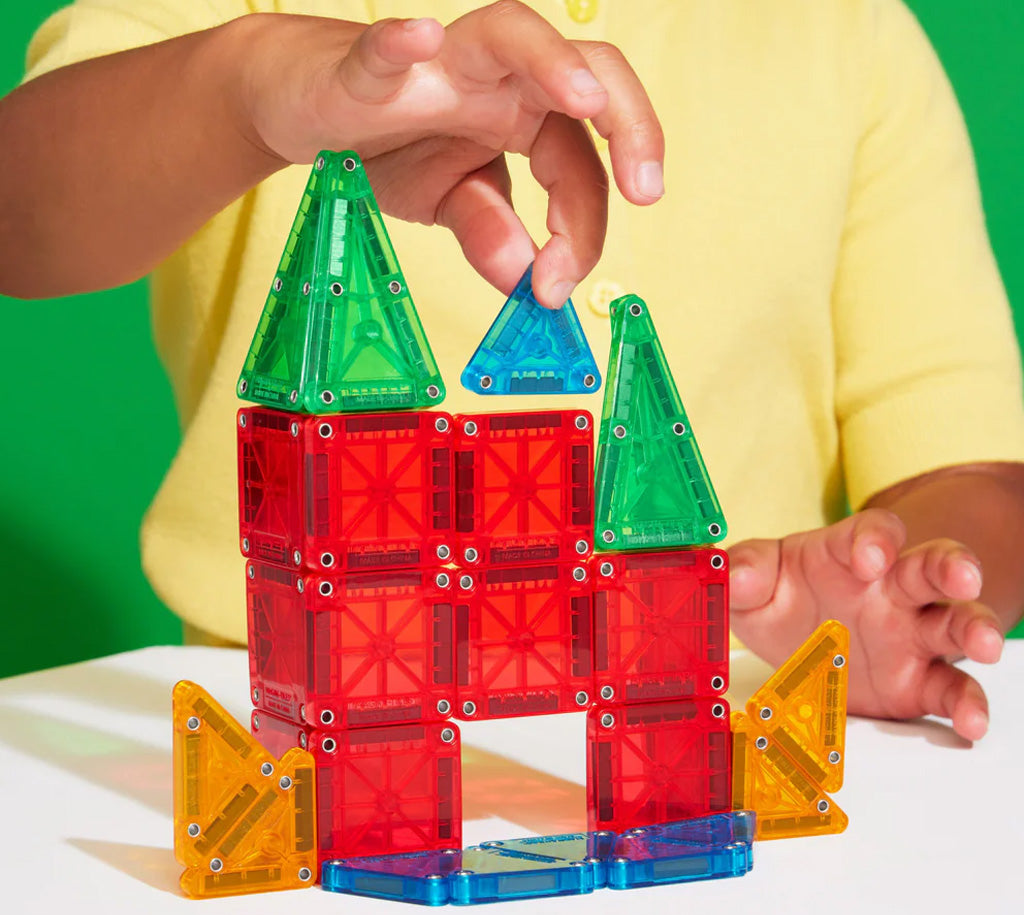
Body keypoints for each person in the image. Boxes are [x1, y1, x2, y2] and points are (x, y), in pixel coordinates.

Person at [1, 0, 1022, 742]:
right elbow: (22, 218)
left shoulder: (848, 31)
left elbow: (971, 464)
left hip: (711, 701)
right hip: (302, 718)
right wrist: (249, 86)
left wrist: (897, 592)